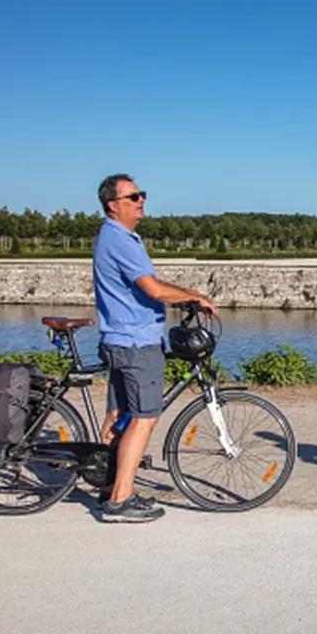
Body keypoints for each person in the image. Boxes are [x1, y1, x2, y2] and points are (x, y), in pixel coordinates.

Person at [93, 174, 216, 523]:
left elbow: (149, 284)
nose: (141, 200)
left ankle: (109, 486)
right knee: (144, 418)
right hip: (137, 343)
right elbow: (154, 289)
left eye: (141, 194)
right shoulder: (120, 239)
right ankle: (121, 500)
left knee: (118, 416)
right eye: (133, 197)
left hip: (118, 339)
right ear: (113, 205)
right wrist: (195, 297)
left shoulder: (113, 236)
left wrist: (183, 294)